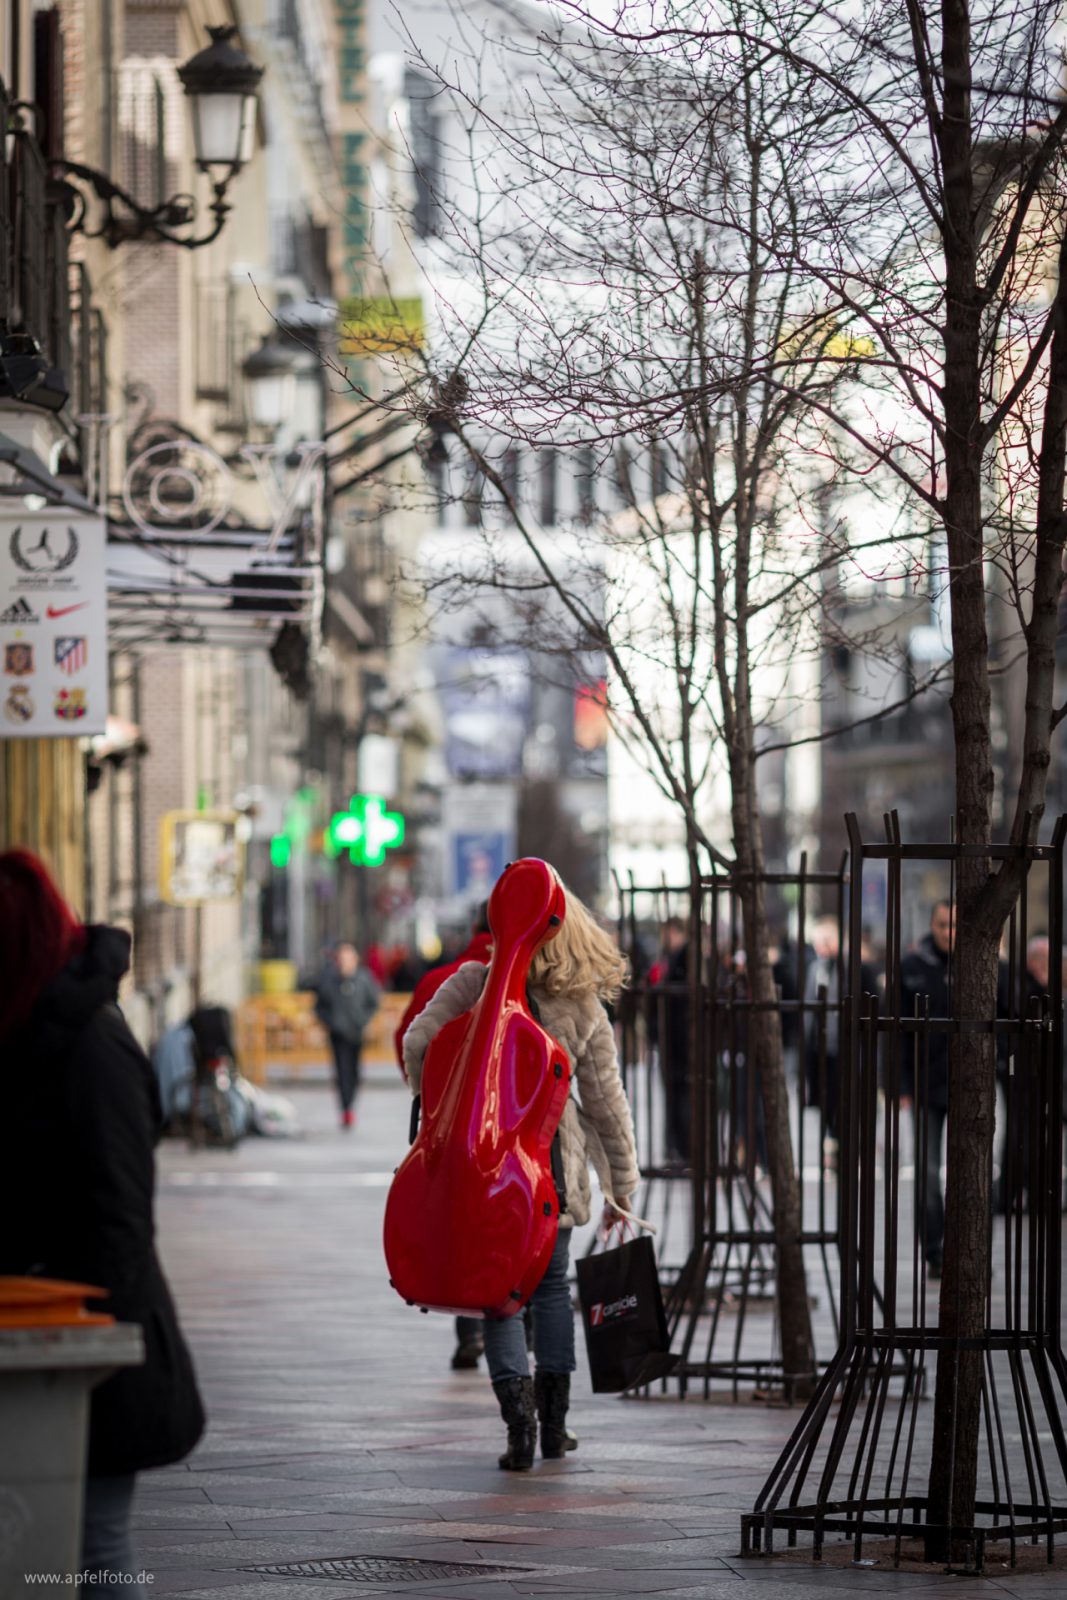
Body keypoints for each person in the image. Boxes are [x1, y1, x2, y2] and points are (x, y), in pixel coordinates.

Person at [0, 850, 205, 1587]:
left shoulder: (91, 1045)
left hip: (92, 1339)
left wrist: (98, 1347)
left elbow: (120, 1212)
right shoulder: (27, 1028)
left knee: (92, 1544)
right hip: (39, 1330)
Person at [402, 879, 640, 1471]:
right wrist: (622, 1185)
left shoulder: (473, 985)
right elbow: (607, 1103)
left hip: (482, 1170)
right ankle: (557, 1427)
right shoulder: (582, 1003)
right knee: (554, 1288)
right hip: (552, 1171)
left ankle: (520, 1429)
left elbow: (418, 1044)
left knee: (499, 1298)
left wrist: (442, 1103)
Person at [394, 905, 494, 1371]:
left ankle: (469, 1329)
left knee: (461, 1224)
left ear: (474, 929)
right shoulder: (539, 977)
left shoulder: (445, 979)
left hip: (453, 1128)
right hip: (511, 1131)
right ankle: (522, 1319)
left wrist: (428, 1101)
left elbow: (408, 1039)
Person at [897, 899, 954, 1278]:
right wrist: (901, 1084)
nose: (948, 932)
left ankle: (967, 1249)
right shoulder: (912, 966)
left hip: (969, 1083)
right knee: (928, 1173)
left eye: (953, 925)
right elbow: (898, 1032)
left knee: (971, 1174)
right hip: (924, 1083)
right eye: (942, 924)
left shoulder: (984, 965)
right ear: (931, 925)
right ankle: (934, 1249)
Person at [314, 941, 380, 1129]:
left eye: (347, 958)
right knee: (341, 1071)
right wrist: (331, 1023)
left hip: (356, 1033)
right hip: (338, 1034)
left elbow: (373, 1002)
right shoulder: (329, 981)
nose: (344, 963)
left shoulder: (364, 979)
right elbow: (320, 1006)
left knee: (354, 1071)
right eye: (341, 959)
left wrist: (363, 1020)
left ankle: (350, 1102)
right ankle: (346, 1108)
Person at [653, 916, 690, 1163]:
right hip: (673, 1041)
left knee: (682, 1096)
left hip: (681, 1042)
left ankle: (683, 1148)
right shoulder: (671, 958)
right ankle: (676, 1147)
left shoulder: (684, 958)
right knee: (675, 1097)